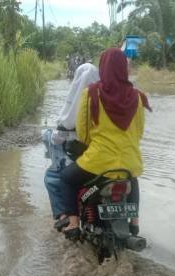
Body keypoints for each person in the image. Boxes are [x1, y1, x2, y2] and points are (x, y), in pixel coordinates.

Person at [59, 48, 151, 240]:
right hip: (129, 162)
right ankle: (134, 223)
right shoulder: (138, 96)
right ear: (124, 68)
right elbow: (139, 132)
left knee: (66, 178)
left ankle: (73, 223)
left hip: (97, 163)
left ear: (103, 67)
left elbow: (83, 132)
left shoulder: (92, 93)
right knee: (132, 180)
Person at [42, 63, 99, 230]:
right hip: (116, 156)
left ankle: (66, 216)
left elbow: (65, 126)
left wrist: (53, 137)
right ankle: (134, 221)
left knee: (54, 177)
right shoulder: (117, 98)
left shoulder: (81, 98)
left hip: (85, 152)